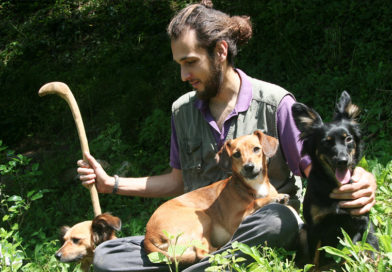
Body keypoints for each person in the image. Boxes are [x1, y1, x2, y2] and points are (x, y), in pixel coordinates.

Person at [77, 1, 377, 271]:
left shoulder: (275, 103)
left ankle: (200, 264)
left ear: (220, 51)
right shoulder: (182, 111)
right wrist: (111, 184)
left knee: (278, 220)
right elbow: (176, 181)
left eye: (190, 62)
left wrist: (359, 177)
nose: (184, 75)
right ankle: (209, 264)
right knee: (108, 254)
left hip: (260, 226)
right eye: (179, 65)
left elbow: (317, 167)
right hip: (201, 232)